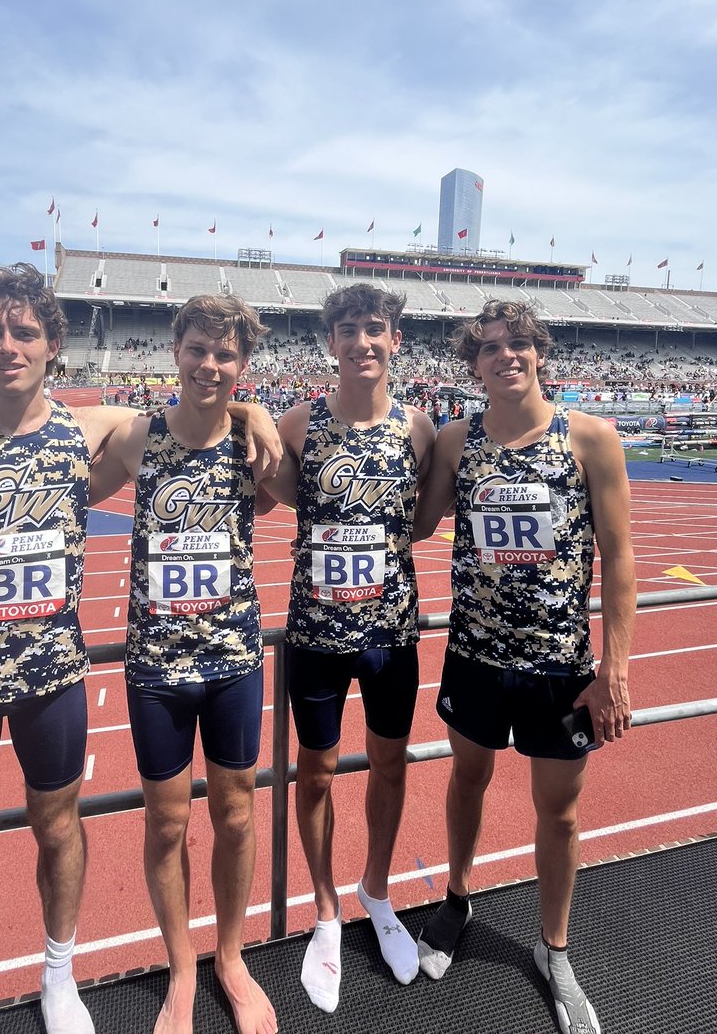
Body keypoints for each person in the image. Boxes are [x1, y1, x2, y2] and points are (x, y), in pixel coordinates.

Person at [0, 266, 281, 1034]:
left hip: (54, 677)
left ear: (53, 344)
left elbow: (204, 401)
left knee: (61, 827)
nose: (7, 345)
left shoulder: (89, 428)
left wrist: (253, 406)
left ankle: (60, 977)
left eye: (24, 330)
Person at [412, 298, 636, 1034]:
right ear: (472, 365)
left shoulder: (592, 439)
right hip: (474, 658)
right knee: (466, 780)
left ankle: (555, 950)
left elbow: (621, 560)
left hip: (558, 668)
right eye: (491, 347)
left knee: (559, 812)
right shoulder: (455, 440)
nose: (508, 355)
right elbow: (414, 525)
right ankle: (455, 899)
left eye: (520, 344)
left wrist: (616, 671)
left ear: (540, 354)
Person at [88, 295, 278, 1034]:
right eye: (198, 348)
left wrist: (255, 415)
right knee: (167, 824)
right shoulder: (141, 438)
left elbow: (280, 500)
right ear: (176, 350)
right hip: (156, 669)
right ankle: (183, 966)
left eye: (225, 354)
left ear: (242, 365)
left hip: (232, 658)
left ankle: (230, 956)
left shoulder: (252, 444)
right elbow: (69, 494)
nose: (210, 364)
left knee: (236, 816)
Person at [260, 283, 435, 1014]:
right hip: (317, 637)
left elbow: (421, 527)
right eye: (348, 331)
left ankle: (377, 890)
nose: (362, 342)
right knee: (319, 772)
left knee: (390, 765)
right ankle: (327, 906)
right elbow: (269, 496)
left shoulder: (420, 430)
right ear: (329, 344)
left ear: (394, 340)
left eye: (375, 329)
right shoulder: (300, 422)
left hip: (392, 634)